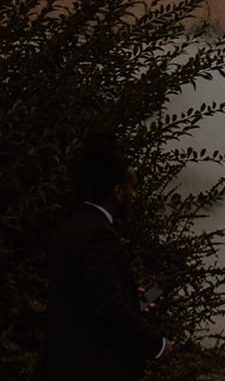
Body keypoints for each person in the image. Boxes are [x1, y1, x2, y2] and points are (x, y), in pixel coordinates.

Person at [40, 133, 170, 380]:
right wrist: (158, 345)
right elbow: (109, 309)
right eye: (131, 188)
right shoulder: (98, 235)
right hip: (90, 367)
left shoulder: (71, 226)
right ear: (117, 192)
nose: (133, 195)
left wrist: (130, 298)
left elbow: (85, 295)